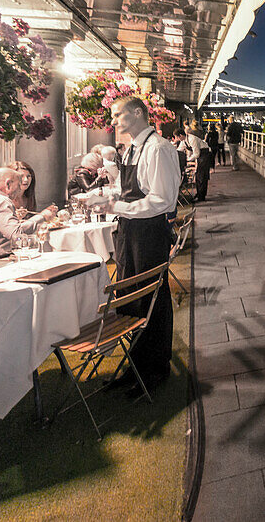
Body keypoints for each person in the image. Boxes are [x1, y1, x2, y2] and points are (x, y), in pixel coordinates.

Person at [103, 95, 180, 391]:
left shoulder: (159, 148)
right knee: (129, 296)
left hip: (148, 234)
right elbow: (133, 192)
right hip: (129, 232)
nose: (113, 121)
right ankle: (135, 367)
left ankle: (154, 370)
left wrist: (114, 208)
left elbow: (162, 201)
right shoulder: (132, 150)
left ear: (137, 113)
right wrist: (112, 197)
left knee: (151, 299)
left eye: (117, 115)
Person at [186, 125, 212, 202]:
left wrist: (188, 159)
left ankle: (201, 196)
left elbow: (196, 153)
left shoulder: (192, 138)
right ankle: (200, 194)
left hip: (204, 155)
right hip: (202, 155)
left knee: (201, 176)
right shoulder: (186, 139)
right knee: (200, 176)